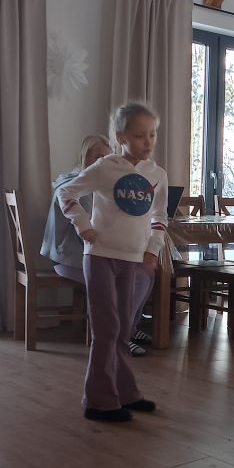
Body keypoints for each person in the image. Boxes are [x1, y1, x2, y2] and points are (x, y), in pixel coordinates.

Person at [57, 102, 167, 422]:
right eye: (139, 135)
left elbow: (160, 217)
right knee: (106, 330)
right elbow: (66, 193)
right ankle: (98, 401)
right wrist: (83, 225)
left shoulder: (157, 174)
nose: (147, 141)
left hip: (133, 261)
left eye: (152, 134)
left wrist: (152, 251)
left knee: (122, 331)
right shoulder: (105, 168)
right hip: (100, 258)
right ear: (121, 137)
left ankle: (126, 392)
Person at [41, 136, 154, 357]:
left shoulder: (99, 184)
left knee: (146, 271)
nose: (102, 162)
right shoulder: (78, 187)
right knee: (136, 277)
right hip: (68, 259)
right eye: (97, 157)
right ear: (85, 158)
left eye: (107, 157)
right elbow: (93, 231)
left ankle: (130, 328)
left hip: (89, 254)